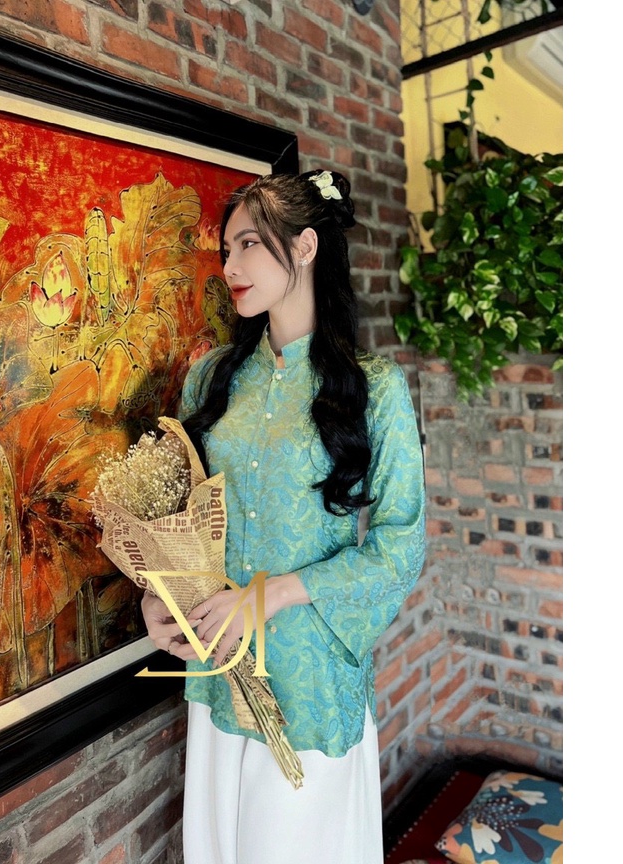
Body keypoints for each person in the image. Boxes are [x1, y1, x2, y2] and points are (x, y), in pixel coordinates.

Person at [141, 170, 426, 864]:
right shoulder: (213, 379)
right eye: (226, 251)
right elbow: (183, 517)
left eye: (247, 244)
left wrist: (268, 597)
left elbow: (399, 550)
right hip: (218, 675)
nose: (230, 267)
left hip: (308, 684)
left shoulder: (374, 388)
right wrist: (159, 595)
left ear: (304, 247)